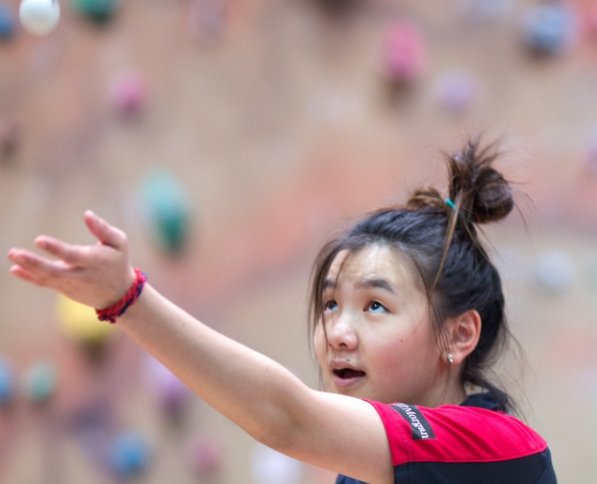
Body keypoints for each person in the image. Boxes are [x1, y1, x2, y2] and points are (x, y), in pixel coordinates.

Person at [7, 137, 557, 483]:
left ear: (458, 336)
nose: (338, 332)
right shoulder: (363, 472)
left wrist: (126, 299)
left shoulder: (495, 448)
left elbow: (284, 418)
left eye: (375, 306)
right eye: (330, 304)